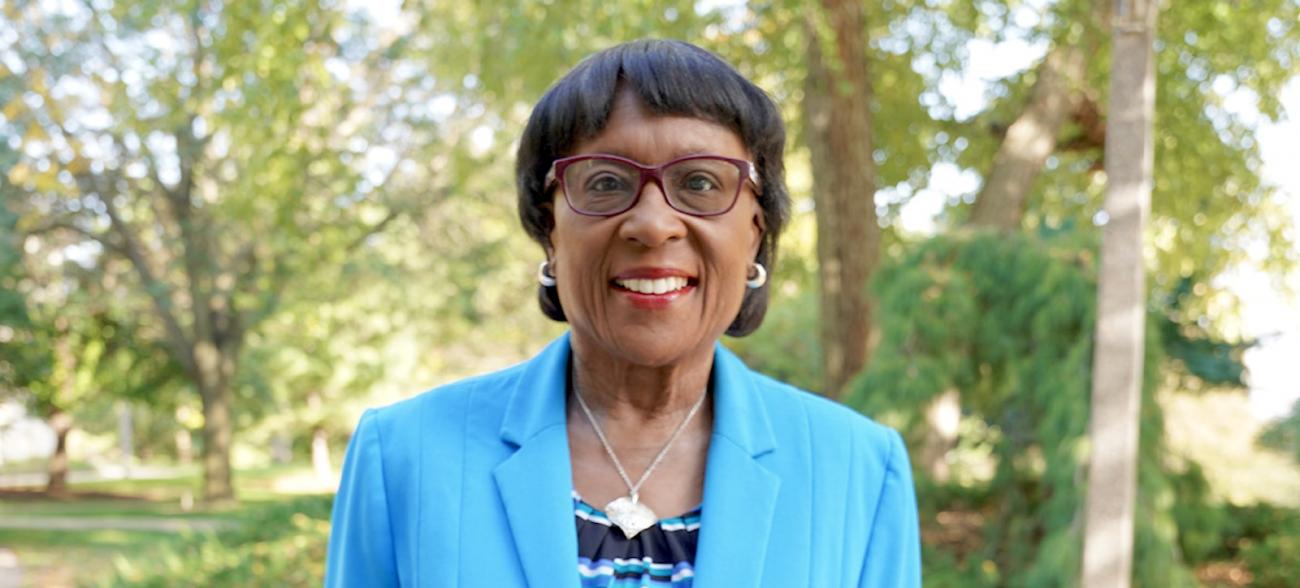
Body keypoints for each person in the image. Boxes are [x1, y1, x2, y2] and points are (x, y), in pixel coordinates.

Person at [325, 39, 921, 587]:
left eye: (701, 183)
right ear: (549, 233)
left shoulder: (860, 471)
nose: (653, 224)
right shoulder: (402, 455)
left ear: (755, 234)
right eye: (606, 182)